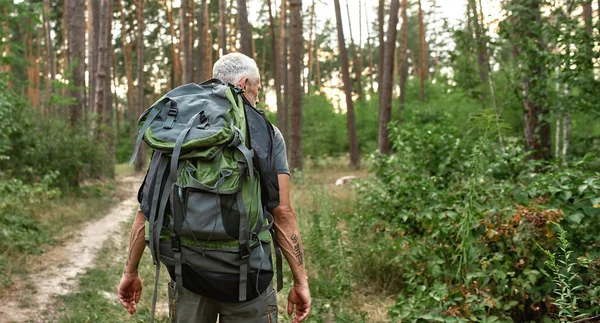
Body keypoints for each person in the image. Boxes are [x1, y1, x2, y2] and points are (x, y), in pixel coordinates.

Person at [117, 52, 311, 323]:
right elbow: (283, 213)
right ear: (244, 84)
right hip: (248, 281)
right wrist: (301, 281)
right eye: (258, 89)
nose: (258, 97)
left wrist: (130, 271)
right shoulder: (267, 133)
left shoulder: (179, 130)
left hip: (188, 277)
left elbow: (147, 210)